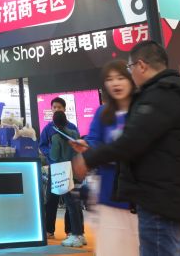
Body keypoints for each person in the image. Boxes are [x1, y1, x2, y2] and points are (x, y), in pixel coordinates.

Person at [72, 40, 180, 256]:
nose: (117, 82)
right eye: (110, 79)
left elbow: (131, 142)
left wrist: (89, 158)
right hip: (166, 197)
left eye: (126, 72)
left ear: (141, 66)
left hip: (159, 199)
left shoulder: (158, 96)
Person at [85, 60, 138, 255]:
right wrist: (88, 149)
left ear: (131, 79)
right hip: (109, 195)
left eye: (120, 77)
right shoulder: (102, 113)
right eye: (110, 79)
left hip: (140, 197)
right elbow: (93, 141)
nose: (115, 83)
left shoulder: (142, 110)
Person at [40, 96, 76, 238]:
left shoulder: (72, 127)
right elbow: (42, 145)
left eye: (59, 107)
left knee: (70, 201)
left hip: (69, 168)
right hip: (54, 168)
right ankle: (49, 230)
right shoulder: (48, 128)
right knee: (51, 200)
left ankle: (70, 231)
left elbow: (76, 146)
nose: (56, 109)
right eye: (54, 107)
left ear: (64, 109)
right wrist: (50, 155)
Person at [50, 110, 86, 248]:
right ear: (66, 120)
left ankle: (76, 235)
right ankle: (81, 234)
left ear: (54, 122)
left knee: (71, 205)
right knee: (77, 204)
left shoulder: (55, 137)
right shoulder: (74, 133)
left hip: (65, 173)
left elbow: (54, 156)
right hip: (77, 171)